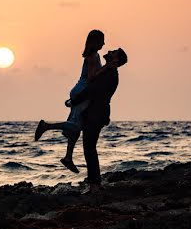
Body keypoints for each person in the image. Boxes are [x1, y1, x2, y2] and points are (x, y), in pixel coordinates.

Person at [34, 30, 106, 173]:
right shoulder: (92, 56)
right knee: (75, 126)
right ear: (95, 41)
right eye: (102, 40)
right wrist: (107, 68)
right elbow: (92, 77)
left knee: (75, 128)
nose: (104, 43)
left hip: (80, 92)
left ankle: (68, 158)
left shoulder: (93, 55)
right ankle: (45, 126)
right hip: (82, 93)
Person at [67, 47, 128, 193]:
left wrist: (75, 100)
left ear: (116, 59)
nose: (110, 51)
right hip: (97, 114)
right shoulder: (109, 72)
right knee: (90, 149)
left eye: (114, 52)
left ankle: (94, 186)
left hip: (96, 114)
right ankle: (95, 184)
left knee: (89, 149)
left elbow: (93, 90)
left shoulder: (110, 74)